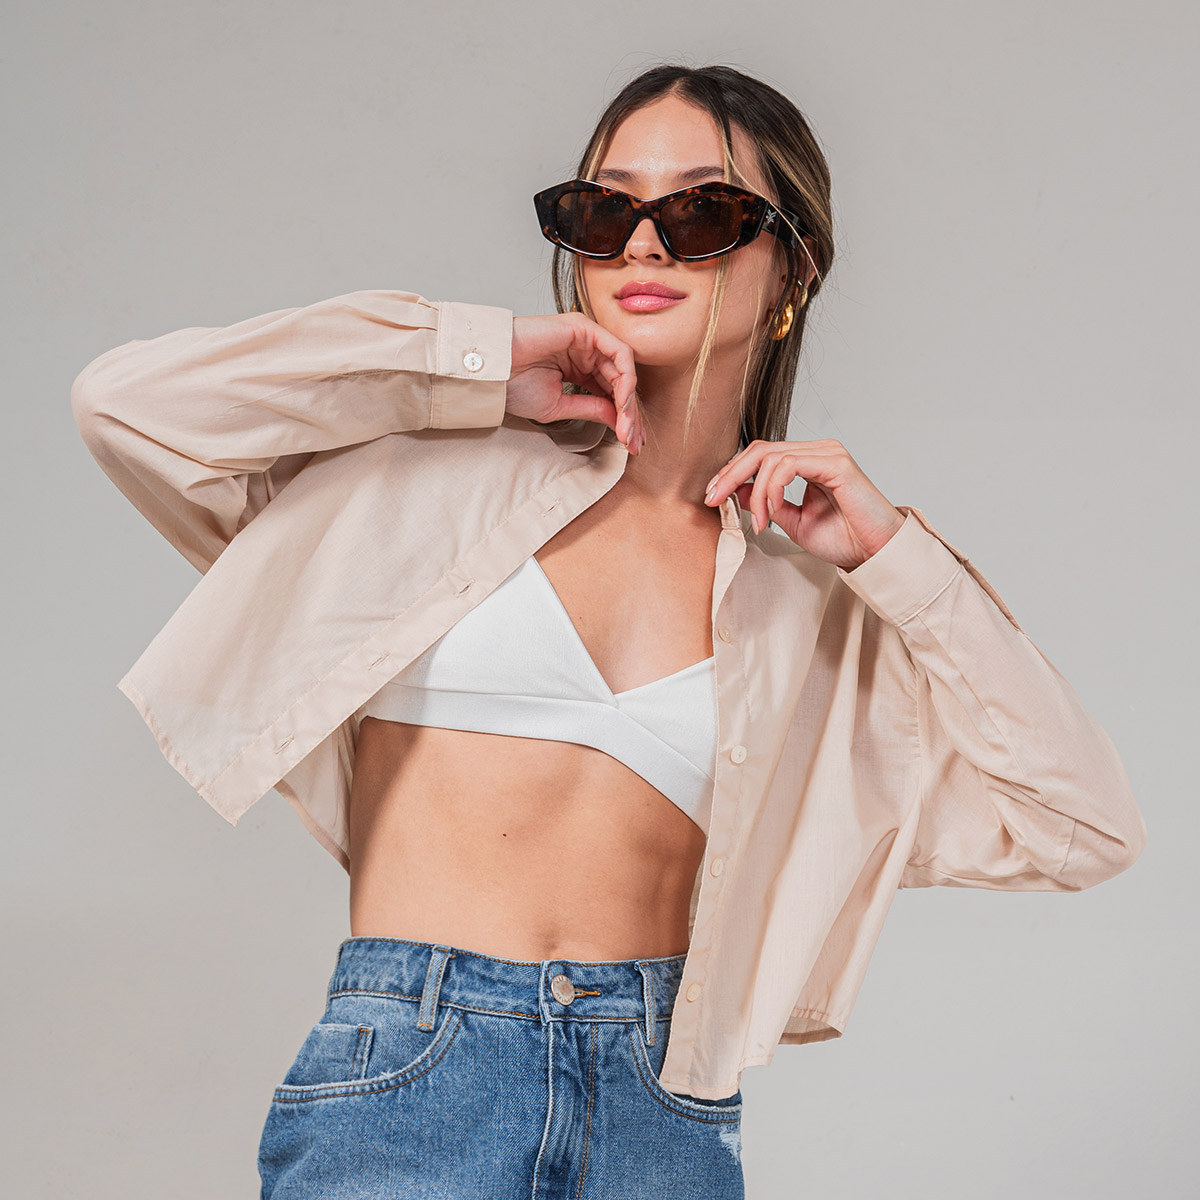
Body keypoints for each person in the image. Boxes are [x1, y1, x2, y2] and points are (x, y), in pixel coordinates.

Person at [70, 64, 1147, 1198]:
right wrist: (473, 361)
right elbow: (126, 408)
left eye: (700, 212)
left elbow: (1082, 826)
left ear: (794, 267)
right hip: (411, 1085)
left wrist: (897, 558)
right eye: (603, 210)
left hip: (657, 1113)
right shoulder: (416, 486)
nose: (642, 244)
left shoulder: (810, 617)